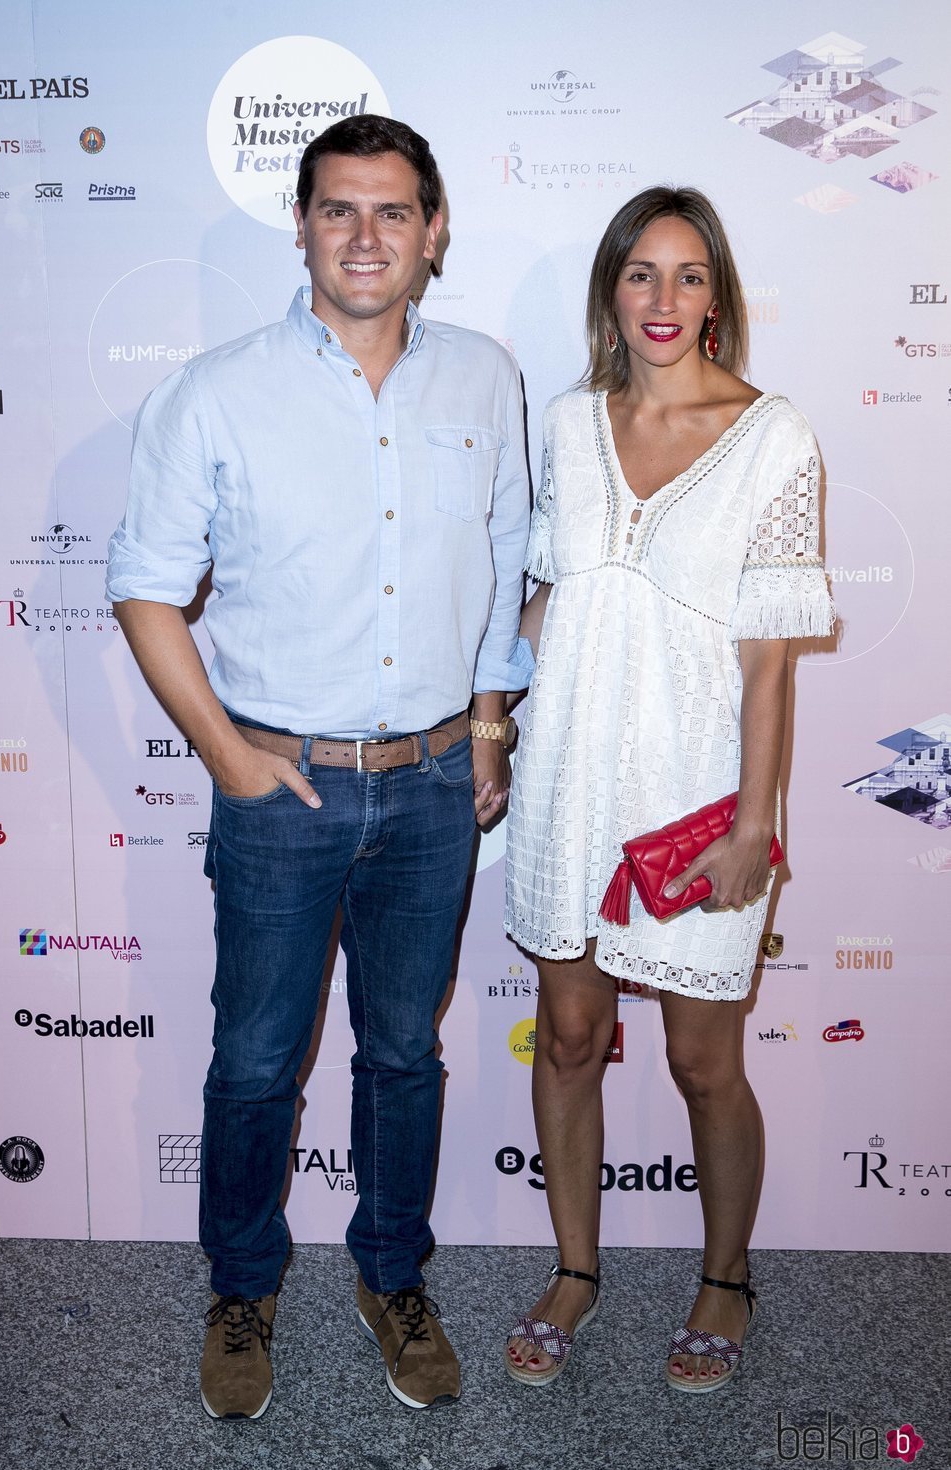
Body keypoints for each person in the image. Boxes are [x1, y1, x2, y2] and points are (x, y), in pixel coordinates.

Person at [106, 114, 530, 1419]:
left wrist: (493, 720)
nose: (365, 236)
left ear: (435, 229)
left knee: (404, 1054)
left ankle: (392, 1270)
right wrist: (228, 757)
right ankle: (243, 1283)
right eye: (338, 209)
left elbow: (510, 549)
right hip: (279, 793)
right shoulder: (216, 389)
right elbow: (142, 588)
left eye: (392, 211)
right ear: (300, 224)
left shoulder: (484, 377)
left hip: (430, 787)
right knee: (254, 1062)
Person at [503, 186, 834, 1392]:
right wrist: (489, 720)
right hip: (568, 780)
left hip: (696, 798)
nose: (663, 300)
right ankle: (576, 1269)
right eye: (640, 274)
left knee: (703, 1060)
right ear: (609, 293)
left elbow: (766, 660)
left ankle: (723, 1276)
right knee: (572, 1037)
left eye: (688, 276)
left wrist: (757, 822)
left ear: (718, 297)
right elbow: (542, 602)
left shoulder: (772, 435)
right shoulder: (568, 424)